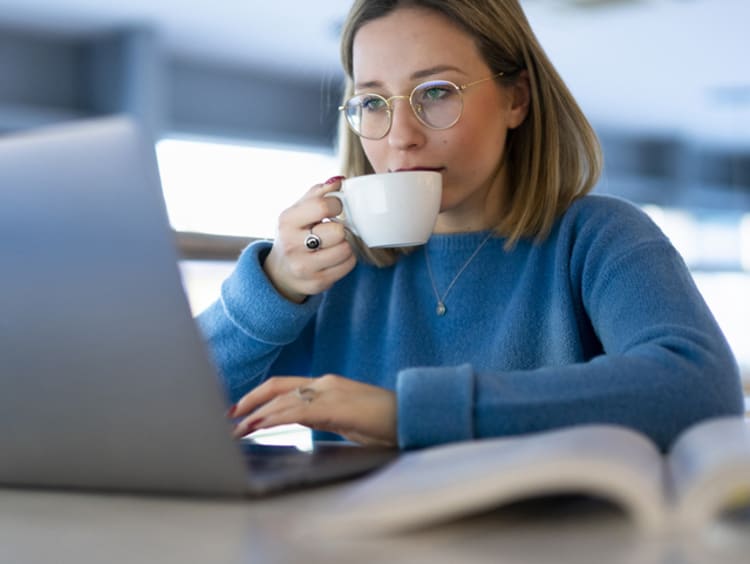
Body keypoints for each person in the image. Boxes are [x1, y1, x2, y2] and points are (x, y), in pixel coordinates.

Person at [197, 0, 744, 451]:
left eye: (436, 92)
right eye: (372, 101)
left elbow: (698, 388)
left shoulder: (598, 237)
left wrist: (406, 413)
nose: (400, 136)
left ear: (517, 99)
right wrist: (274, 288)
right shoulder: (335, 271)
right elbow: (155, 404)